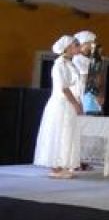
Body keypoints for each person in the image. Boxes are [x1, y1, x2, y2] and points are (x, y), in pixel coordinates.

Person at [34, 35, 84, 179]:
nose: (78, 47)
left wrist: (77, 101)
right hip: (62, 103)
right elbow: (63, 87)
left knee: (67, 134)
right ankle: (56, 168)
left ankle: (62, 165)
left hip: (69, 103)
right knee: (59, 133)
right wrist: (75, 103)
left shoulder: (70, 63)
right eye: (76, 45)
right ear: (67, 47)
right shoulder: (59, 64)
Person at [73, 31, 105, 115]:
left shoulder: (91, 59)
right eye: (90, 43)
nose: (92, 46)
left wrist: (100, 93)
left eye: (93, 43)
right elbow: (87, 78)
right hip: (82, 94)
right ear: (83, 44)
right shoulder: (76, 59)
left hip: (92, 94)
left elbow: (98, 78)